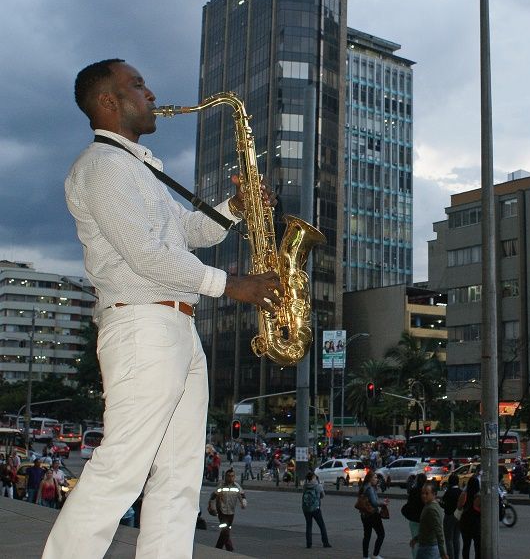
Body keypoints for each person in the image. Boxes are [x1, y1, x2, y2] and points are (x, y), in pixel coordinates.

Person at [42, 58, 282, 559]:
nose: (151, 94)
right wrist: (230, 285)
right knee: (122, 467)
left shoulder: (138, 167)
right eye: (138, 85)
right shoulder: (103, 167)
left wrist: (236, 210)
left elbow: (187, 234)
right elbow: (145, 255)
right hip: (143, 322)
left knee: (178, 475)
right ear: (109, 102)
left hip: (174, 325)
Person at [209, 469, 247, 551]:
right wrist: (212, 507)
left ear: (234, 477)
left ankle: (218, 549)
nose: (230, 478)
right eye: (229, 476)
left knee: (226, 530)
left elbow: (242, 495)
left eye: (232, 476)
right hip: (221, 511)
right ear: (225, 476)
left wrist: (243, 503)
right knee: (225, 530)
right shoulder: (221, 486)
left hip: (231, 512)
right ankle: (229, 549)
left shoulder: (237, 486)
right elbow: (213, 497)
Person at [411, 482, 448, 559]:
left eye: (427, 493)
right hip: (427, 547)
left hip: (429, 549)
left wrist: (442, 553)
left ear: (434, 494)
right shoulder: (429, 505)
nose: (424, 496)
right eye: (422, 493)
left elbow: (439, 530)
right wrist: (416, 538)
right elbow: (426, 528)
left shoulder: (431, 509)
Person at [359, 471, 387, 559]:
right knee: (381, 534)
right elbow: (374, 503)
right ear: (370, 479)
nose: (376, 479)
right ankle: (375, 554)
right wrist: (383, 503)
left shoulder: (364, 487)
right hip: (373, 514)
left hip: (364, 515)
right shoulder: (370, 488)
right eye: (374, 478)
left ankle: (365, 556)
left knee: (367, 536)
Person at [301, 471, 332, 549]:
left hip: (306, 508)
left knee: (308, 526)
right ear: (313, 478)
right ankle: (325, 542)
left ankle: (309, 543)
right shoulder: (318, 486)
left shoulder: (305, 485)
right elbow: (323, 495)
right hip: (315, 508)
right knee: (321, 525)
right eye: (315, 477)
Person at [403, 472, 427, 558]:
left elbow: (409, 504)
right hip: (425, 520)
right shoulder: (427, 492)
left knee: (415, 540)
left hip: (414, 519)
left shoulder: (413, 491)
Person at [458, 476, 481, 559]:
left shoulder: (464, 494)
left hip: (465, 522)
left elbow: (459, 507)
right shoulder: (479, 497)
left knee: (466, 546)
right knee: (478, 546)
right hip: (476, 523)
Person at [439, 473, 462, 559]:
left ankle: (450, 557)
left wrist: (439, 503)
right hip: (458, 517)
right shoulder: (460, 492)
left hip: (449, 517)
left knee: (449, 540)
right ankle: (456, 557)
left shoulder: (448, 492)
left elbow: (444, 505)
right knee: (456, 539)